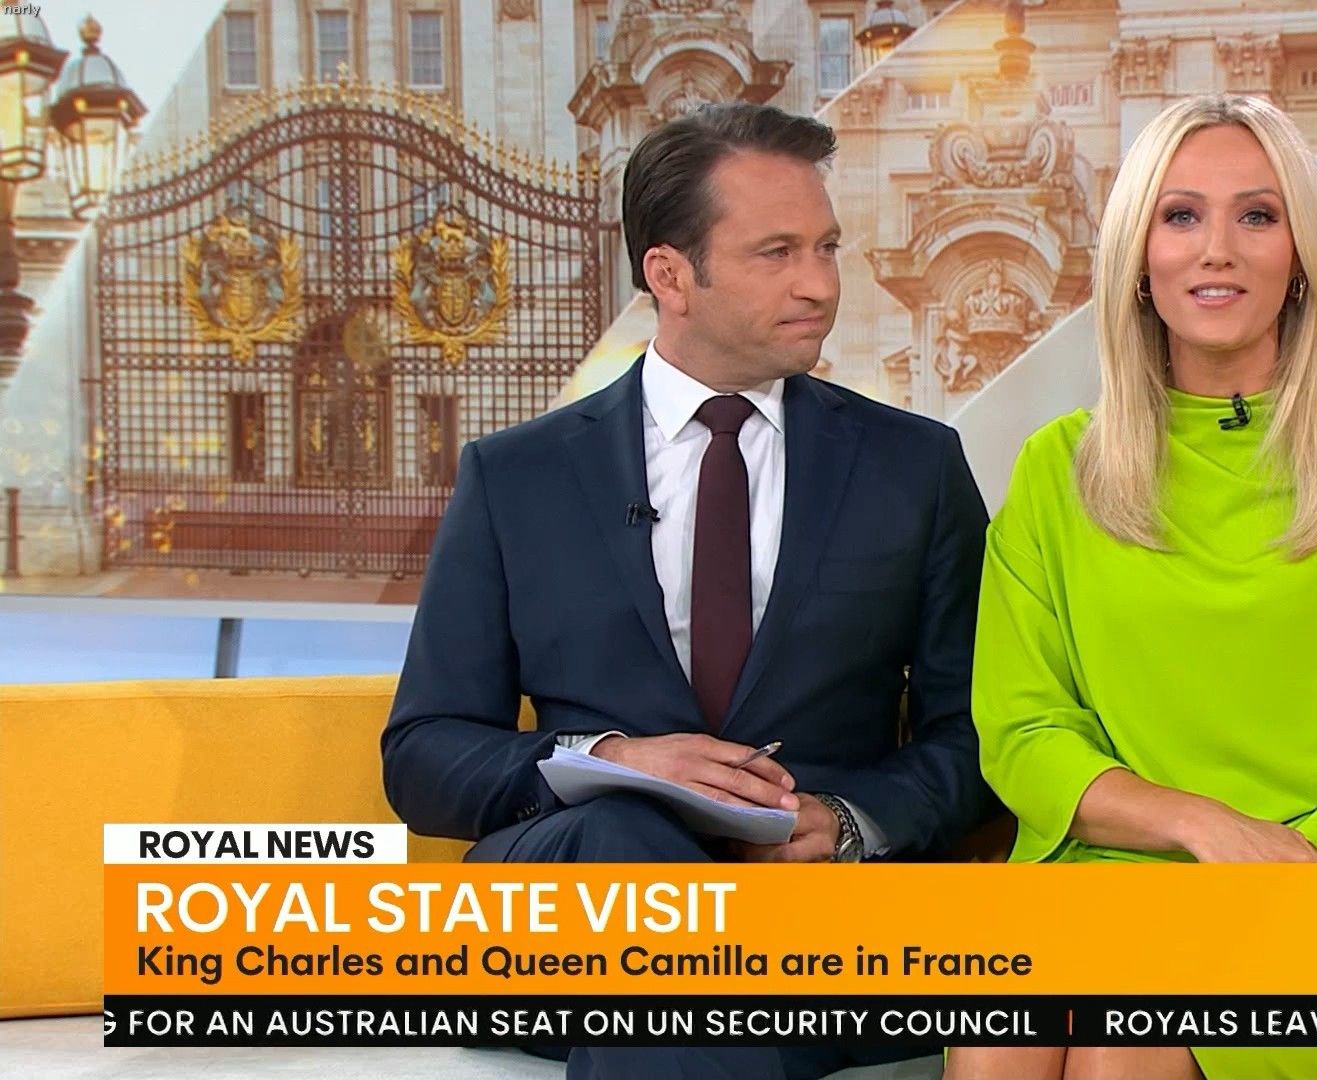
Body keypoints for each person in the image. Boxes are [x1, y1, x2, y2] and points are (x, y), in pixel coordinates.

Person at [382, 102, 996, 1080]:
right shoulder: (517, 477)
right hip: (567, 914)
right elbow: (424, 755)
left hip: (814, 916)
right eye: (777, 253)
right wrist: (610, 760)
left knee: (687, 974)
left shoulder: (913, 469)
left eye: (827, 247)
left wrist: (845, 822)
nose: (820, 284)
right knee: (626, 837)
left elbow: (978, 737)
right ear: (669, 275)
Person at [949, 94, 1317, 1080]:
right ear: (1139, 258)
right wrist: (1198, 825)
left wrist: (1259, 860)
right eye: (1182, 215)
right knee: (998, 1025)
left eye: (1258, 215)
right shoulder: (1058, 469)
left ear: (1300, 256)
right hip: (1104, 869)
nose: (1218, 251)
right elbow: (1022, 732)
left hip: (1306, 887)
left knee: (1124, 1045)